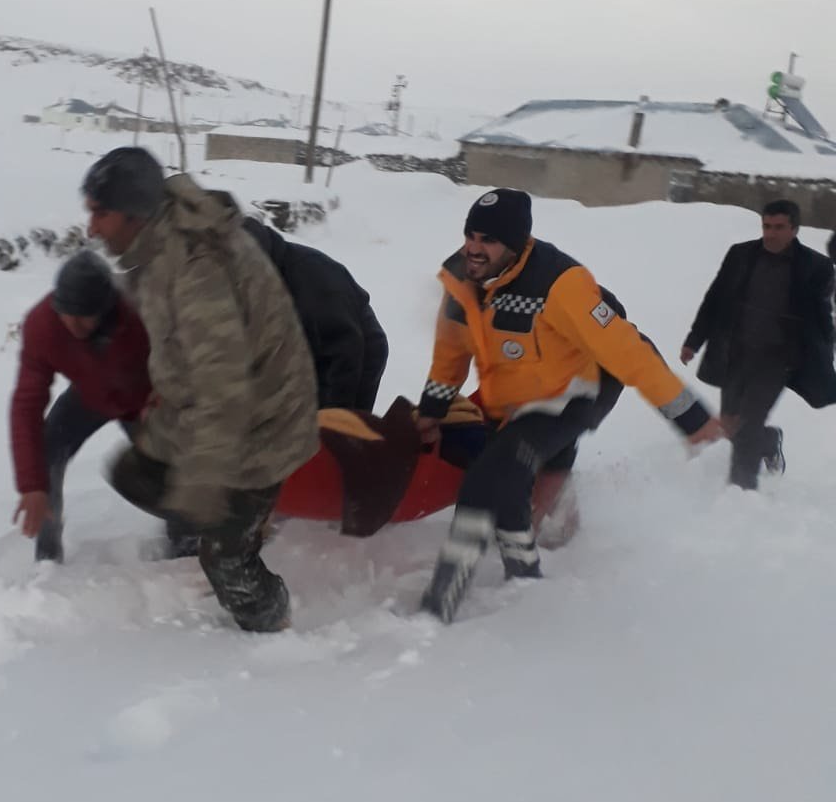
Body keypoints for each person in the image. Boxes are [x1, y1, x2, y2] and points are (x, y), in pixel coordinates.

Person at [417, 188, 723, 624]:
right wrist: (432, 410)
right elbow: (450, 353)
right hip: (518, 396)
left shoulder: (560, 283)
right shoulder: (461, 279)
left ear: (517, 242)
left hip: (577, 393)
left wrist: (691, 419)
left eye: (488, 239)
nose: (474, 247)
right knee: (510, 478)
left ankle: (440, 602)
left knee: (486, 478)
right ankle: (524, 573)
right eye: (470, 235)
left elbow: (628, 354)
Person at [81, 146, 318, 633]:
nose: (91, 228)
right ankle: (234, 525)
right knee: (134, 474)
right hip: (206, 407)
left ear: (132, 213)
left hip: (263, 420)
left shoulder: (195, 269)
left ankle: (274, 627)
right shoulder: (155, 249)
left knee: (227, 565)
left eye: (100, 214)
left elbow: (224, 389)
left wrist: (205, 485)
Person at [681, 199, 836, 490]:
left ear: (794, 229)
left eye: (779, 227)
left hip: (778, 358)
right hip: (736, 353)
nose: (770, 233)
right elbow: (714, 299)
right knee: (730, 424)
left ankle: (741, 489)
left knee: (748, 424)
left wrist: (824, 355)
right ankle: (769, 440)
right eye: (766, 226)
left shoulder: (817, 267)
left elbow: (821, 318)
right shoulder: (741, 255)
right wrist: (694, 340)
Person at [9, 249, 152, 562]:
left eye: (83, 315)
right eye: (65, 312)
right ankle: (47, 558)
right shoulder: (43, 324)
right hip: (91, 395)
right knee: (48, 451)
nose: (71, 323)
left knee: (171, 467)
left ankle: (185, 546)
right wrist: (32, 484)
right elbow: (26, 404)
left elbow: (179, 363)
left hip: (142, 399)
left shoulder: (138, 313)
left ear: (105, 308)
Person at [241, 216, 390, 410]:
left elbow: (344, 354)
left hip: (359, 351)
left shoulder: (310, 279)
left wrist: (331, 422)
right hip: (303, 347)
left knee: (343, 426)